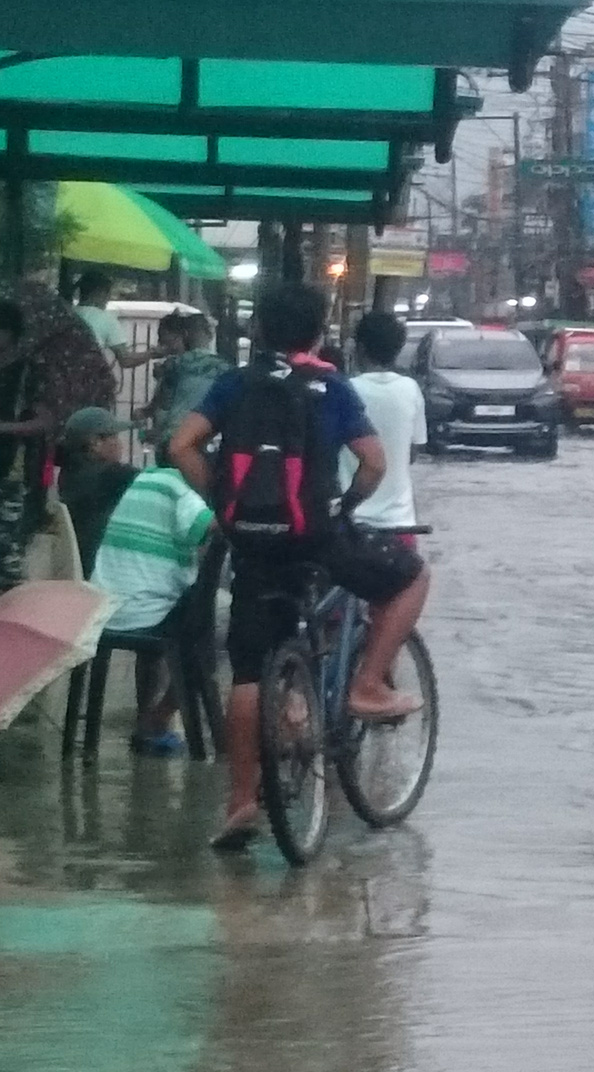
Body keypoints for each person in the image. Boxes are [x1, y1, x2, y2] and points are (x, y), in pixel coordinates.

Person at [170, 284, 429, 849]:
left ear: (259, 329)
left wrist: (222, 500)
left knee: (247, 671)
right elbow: (373, 462)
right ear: (318, 332)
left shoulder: (234, 384)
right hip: (316, 535)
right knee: (412, 577)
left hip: (253, 540)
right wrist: (345, 506)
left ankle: (241, 803)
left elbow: (181, 445)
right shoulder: (329, 386)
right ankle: (366, 684)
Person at [90, 451, 216, 756]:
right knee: (217, 631)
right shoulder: (178, 487)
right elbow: (212, 528)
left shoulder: (144, 479)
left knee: (156, 645)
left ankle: (143, 716)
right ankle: (158, 718)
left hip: (103, 608)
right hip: (144, 613)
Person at [340, 311, 428, 537]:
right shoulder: (411, 389)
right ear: (398, 349)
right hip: (400, 524)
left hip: (349, 523)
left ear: (359, 348)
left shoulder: (344, 391)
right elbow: (412, 453)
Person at [0, 300, 50, 594]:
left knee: (7, 554)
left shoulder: (27, 373)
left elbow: (44, 422)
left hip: (10, 471)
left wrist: (4, 428)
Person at [55, 406, 139, 576]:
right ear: (95, 443)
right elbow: (158, 480)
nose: (120, 443)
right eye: (114, 436)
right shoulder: (109, 476)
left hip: (86, 562)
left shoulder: (70, 473)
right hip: (104, 568)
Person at [144, 312, 226, 465]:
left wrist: (154, 429)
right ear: (210, 334)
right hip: (204, 438)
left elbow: (163, 405)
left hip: (172, 437)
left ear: (185, 334)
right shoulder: (224, 369)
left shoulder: (174, 365)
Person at [73, 272, 152, 370]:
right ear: (99, 292)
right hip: (87, 377)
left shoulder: (67, 312)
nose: (108, 298)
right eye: (108, 293)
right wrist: (152, 353)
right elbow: (126, 360)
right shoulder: (106, 319)